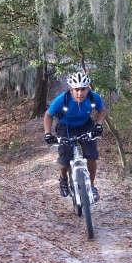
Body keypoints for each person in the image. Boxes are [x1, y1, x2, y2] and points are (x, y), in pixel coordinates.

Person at [43, 71, 107, 202]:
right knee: (65, 158)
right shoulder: (62, 99)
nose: (80, 93)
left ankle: (92, 186)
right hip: (65, 127)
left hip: (85, 125)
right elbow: (48, 115)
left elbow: (102, 110)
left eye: (83, 89)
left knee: (92, 156)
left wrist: (99, 125)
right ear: (71, 89)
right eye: (76, 89)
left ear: (88, 88)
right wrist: (48, 133)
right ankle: (63, 179)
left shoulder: (94, 98)